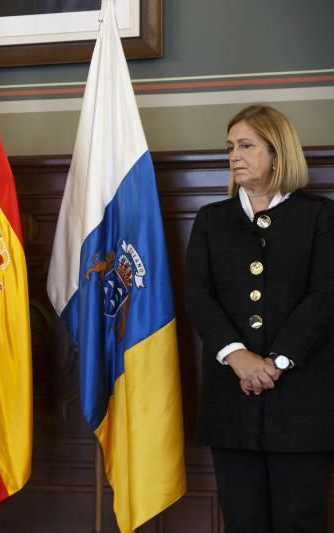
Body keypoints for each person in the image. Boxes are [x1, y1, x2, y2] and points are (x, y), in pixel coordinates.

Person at [185, 104, 334, 532]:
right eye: (230, 146)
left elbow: (325, 295)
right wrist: (238, 357)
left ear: (277, 152)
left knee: (299, 520)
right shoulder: (212, 220)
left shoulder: (320, 217)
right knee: (242, 520)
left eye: (246, 145)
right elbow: (199, 295)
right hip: (231, 401)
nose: (234, 155)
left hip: (304, 402)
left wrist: (277, 362)